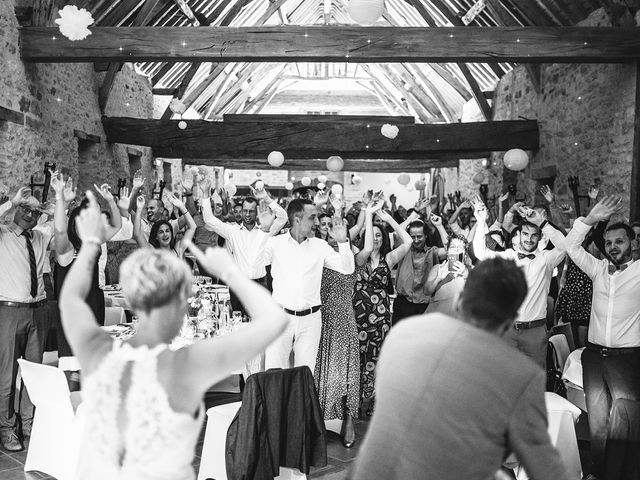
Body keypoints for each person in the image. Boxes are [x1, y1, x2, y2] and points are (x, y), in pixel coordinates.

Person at [58, 191, 288, 480]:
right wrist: (230, 272)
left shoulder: (99, 349)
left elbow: (70, 299)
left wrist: (91, 242)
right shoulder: (187, 365)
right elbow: (274, 320)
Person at [350, 258, 571, 480]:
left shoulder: (403, 333)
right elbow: (545, 468)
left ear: (460, 300)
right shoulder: (521, 375)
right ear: (511, 319)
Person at [564, 195, 640, 480]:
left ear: (632, 243)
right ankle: (596, 473)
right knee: (597, 423)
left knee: (626, 425)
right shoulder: (597, 270)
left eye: (619, 241)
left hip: (627, 360)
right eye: (608, 243)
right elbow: (570, 246)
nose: (612, 247)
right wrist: (590, 219)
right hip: (594, 357)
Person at [261, 198, 354, 375]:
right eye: (312, 218)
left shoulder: (320, 246)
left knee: (305, 375)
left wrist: (343, 242)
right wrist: (264, 231)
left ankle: (299, 404)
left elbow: (347, 268)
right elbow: (254, 265)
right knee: (274, 373)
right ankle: (274, 404)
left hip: (311, 320)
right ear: (297, 219)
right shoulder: (275, 243)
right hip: (280, 316)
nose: (317, 223)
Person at [473, 199, 566, 367]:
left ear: (539, 237)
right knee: (505, 376)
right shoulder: (507, 256)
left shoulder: (546, 259)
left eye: (534, 235)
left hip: (535, 332)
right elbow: (480, 252)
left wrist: (542, 223)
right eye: (525, 234)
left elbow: (564, 246)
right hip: (507, 329)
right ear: (519, 235)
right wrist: (480, 221)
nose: (529, 239)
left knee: (535, 379)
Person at [0, 187, 53, 451]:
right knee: (7, 374)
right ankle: (7, 428)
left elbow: (63, 227)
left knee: (34, 371)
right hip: (9, 311)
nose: (30, 215)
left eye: (35, 211)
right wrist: (12, 202)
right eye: (26, 208)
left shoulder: (41, 237)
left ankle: (28, 421)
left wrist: (53, 206)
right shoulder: (3, 234)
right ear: (16, 209)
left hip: (38, 310)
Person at [353, 204, 412, 416]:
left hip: (380, 319)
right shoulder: (358, 257)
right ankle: (355, 401)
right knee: (358, 359)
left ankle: (373, 401)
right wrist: (368, 217)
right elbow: (367, 248)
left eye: (379, 235)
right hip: (358, 318)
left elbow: (409, 241)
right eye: (372, 235)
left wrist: (391, 221)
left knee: (376, 359)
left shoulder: (388, 259)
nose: (376, 238)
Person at [313, 213, 360, 448]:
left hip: (343, 319)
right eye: (324, 226)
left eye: (331, 226)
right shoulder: (315, 252)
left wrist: (344, 240)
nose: (328, 229)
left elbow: (348, 267)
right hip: (319, 318)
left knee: (347, 371)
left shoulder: (349, 253)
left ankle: (349, 420)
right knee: (321, 371)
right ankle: (318, 420)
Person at [202, 186, 286, 313]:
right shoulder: (232, 231)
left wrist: (267, 199)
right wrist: (205, 194)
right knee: (237, 321)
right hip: (238, 285)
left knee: (260, 324)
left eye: (251, 211)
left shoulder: (266, 228)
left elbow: (283, 218)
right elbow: (209, 219)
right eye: (245, 211)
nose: (247, 214)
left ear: (257, 212)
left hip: (260, 285)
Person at [391, 217, 445, 324]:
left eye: (419, 236)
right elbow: (396, 234)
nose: (416, 240)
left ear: (426, 236)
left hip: (424, 306)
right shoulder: (403, 250)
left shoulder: (432, 252)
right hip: (403, 303)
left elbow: (449, 250)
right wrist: (410, 218)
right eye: (413, 237)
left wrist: (439, 226)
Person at [133, 193, 196, 258]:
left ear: (171, 233)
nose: (165, 234)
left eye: (167, 231)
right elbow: (137, 234)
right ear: (156, 237)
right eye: (161, 232)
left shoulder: (178, 249)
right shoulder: (152, 251)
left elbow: (192, 227)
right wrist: (139, 209)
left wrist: (182, 207)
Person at [424, 234, 471, 317]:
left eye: (460, 247)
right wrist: (438, 278)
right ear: (448, 251)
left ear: (465, 253)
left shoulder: (471, 271)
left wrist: (465, 274)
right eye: (453, 247)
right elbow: (426, 291)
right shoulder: (438, 268)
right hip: (438, 316)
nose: (456, 250)